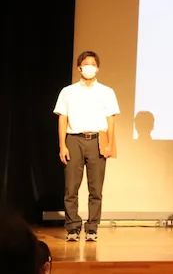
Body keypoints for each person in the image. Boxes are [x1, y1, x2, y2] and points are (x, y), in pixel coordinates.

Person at [53, 51, 120, 242]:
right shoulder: (68, 91)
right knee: (71, 188)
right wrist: (62, 145)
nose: (90, 67)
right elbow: (62, 119)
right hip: (74, 140)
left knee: (96, 189)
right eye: (86, 64)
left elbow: (111, 120)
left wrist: (110, 145)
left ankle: (92, 228)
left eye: (93, 64)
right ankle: (72, 228)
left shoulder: (107, 92)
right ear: (79, 67)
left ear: (97, 68)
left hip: (97, 140)